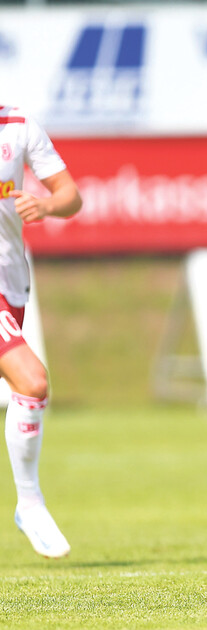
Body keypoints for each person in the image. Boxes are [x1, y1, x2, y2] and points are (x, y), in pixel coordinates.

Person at [0, 104, 82, 558]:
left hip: (10, 284)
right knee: (31, 380)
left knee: (28, 387)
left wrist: (46, 204)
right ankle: (29, 501)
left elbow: (70, 195)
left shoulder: (18, 126)